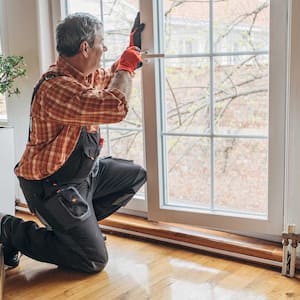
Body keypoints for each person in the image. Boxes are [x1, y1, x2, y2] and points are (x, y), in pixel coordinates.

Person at [0, 12, 146, 273]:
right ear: (85, 47)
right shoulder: (56, 88)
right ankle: (10, 230)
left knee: (135, 175)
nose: (105, 49)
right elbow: (115, 107)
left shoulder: (85, 75)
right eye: (102, 43)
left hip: (83, 178)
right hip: (51, 185)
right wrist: (125, 67)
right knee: (92, 260)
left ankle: (77, 227)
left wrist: (131, 51)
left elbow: (111, 77)